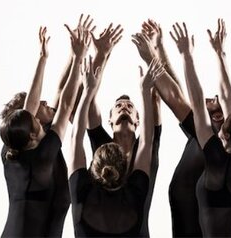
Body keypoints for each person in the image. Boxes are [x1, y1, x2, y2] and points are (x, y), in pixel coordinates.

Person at [0, 19, 92, 237]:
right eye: (35, 120)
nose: (38, 116)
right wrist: (78, 58)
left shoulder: (10, 150)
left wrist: (43, 58)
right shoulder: (45, 153)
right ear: (32, 133)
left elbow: (29, 111)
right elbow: (66, 105)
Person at [169, 21, 231, 238]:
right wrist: (220, 54)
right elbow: (228, 97)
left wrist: (186, 55)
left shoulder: (216, 157)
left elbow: (198, 103)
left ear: (226, 136)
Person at [68, 47, 165, 236]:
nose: (124, 108)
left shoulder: (82, 190)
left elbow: (75, 136)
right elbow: (89, 109)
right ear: (109, 120)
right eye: (118, 106)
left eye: (130, 106)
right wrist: (101, 54)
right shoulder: (103, 146)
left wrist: (155, 54)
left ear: (139, 121)